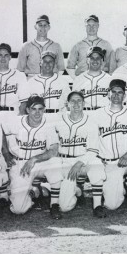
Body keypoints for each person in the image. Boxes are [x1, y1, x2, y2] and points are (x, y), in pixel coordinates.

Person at [2, 95, 62, 215]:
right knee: (18, 210)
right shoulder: (15, 122)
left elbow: (54, 150)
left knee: (55, 163)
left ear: (44, 110)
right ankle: (34, 192)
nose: (37, 112)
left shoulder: (48, 125)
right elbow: (1, 132)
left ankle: (54, 204)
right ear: (28, 110)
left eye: (40, 109)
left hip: (40, 162)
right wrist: (6, 153)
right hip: (20, 163)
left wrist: (34, 159)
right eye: (34, 109)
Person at [51, 91, 106, 219]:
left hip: (83, 161)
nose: (76, 104)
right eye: (73, 101)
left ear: (83, 103)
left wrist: (79, 162)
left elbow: (93, 150)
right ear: (67, 104)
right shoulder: (59, 121)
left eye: (79, 101)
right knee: (64, 207)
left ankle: (97, 205)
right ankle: (76, 191)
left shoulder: (91, 123)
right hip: (64, 162)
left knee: (97, 165)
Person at [93, 79, 127, 215]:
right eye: (113, 92)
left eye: (120, 93)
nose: (116, 95)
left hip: (126, 159)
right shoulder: (97, 114)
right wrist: (97, 156)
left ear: (124, 96)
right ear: (108, 94)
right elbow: (92, 139)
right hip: (109, 162)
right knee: (111, 205)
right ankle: (121, 188)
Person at [72, 46, 112, 111]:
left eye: (98, 58)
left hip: (104, 113)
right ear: (87, 60)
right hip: (86, 113)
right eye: (92, 58)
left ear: (102, 60)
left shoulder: (109, 79)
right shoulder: (78, 79)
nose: (95, 61)